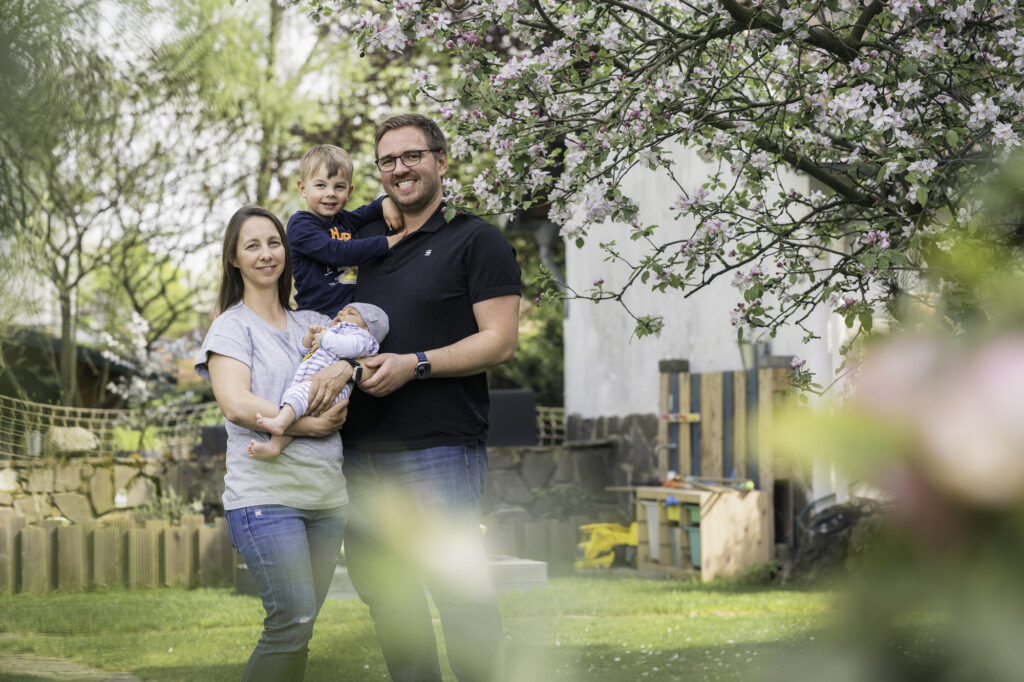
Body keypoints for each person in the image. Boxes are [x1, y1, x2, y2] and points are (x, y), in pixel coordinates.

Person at [307, 113, 521, 682]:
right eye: (388, 161)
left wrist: (415, 364)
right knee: (390, 601)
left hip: (439, 450)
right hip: (360, 455)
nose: (400, 168)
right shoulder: (368, 250)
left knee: (459, 596)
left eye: (412, 156)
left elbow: (499, 341)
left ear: (441, 161)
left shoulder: (476, 240)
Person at [194, 205, 350, 682]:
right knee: (291, 623)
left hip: (326, 500)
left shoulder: (313, 325)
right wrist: (308, 426)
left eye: (274, 243)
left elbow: (351, 374)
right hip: (266, 501)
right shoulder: (231, 327)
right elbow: (236, 404)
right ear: (234, 259)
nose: (266, 254)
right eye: (252, 245)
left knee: (300, 629)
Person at [248, 302, 389, 459]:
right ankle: (275, 446)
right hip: (313, 385)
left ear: (367, 328)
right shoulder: (332, 334)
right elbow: (306, 353)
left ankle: (280, 422)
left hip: (326, 389)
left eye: (351, 313)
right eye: (341, 311)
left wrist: (325, 338)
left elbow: (350, 347)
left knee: (295, 398)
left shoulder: (363, 338)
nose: (341, 313)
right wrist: (309, 340)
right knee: (297, 409)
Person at [289, 143, 406, 317]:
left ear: (349, 191)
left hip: (348, 316)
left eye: (339, 187)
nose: (331, 193)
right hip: (316, 316)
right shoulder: (300, 225)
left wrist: (385, 201)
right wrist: (386, 243)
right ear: (303, 189)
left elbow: (369, 210)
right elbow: (337, 251)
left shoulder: (345, 220)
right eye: (320, 185)